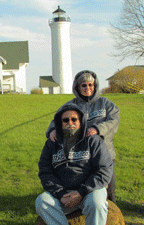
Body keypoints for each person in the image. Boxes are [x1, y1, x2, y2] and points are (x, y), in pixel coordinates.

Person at [46, 70, 120, 203]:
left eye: (90, 85)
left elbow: (113, 122)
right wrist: (52, 130)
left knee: (109, 189)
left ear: (95, 86)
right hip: (82, 156)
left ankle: (113, 218)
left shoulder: (105, 104)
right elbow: (57, 119)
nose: (88, 88)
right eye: (84, 85)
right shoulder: (71, 105)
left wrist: (97, 129)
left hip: (105, 153)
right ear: (77, 87)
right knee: (89, 188)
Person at [36, 103, 113, 225]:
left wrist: (81, 192)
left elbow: (104, 170)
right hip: (64, 193)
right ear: (59, 123)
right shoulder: (51, 143)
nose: (70, 122)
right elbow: (45, 172)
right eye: (65, 120)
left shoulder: (93, 140)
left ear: (81, 121)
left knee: (97, 203)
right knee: (42, 201)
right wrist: (60, 193)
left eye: (74, 119)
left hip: (90, 191)